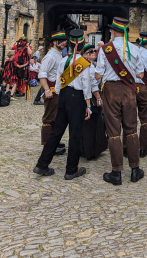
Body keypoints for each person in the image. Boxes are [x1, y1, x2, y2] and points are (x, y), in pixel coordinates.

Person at [33, 29, 92, 180]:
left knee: (56, 132)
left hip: (63, 96)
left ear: (70, 44)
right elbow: (86, 85)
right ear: (82, 43)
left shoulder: (63, 60)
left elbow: (59, 82)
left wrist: (60, 95)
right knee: (75, 133)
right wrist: (88, 104)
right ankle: (71, 170)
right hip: (77, 98)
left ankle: (42, 164)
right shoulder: (83, 63)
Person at [95, 17, 145, 185]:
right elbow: (141, 75)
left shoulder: (105, 49)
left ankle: (116, 173)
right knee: (131, 129)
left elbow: (98, 75)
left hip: (111, 91)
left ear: (113, 31)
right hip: (129, 91)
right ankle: (135, 169)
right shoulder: (135, 49)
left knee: (114, 131)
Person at [38, 31, 68, 155]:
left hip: (57, 90)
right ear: (55, 42)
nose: (64, 43)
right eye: (62, 40)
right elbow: (42, 74)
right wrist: (47, 90)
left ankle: (53, 141)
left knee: (56, 117)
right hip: (51, 91)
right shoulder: (50, 56)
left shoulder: (59, 54)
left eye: (65, 40)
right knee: (49, 117)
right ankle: (47, 144)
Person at [81, 43, 107, 159]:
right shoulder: (89, 66)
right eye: (91, 52)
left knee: (91, 123)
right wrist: (98, 98)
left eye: (94, 51)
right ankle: (90, 149)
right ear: (86, 54)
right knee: (91, 123)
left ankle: (89, 148)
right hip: (90, 97)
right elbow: (92, 84)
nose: (94, 53)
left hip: (87, 96)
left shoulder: (90, 65)